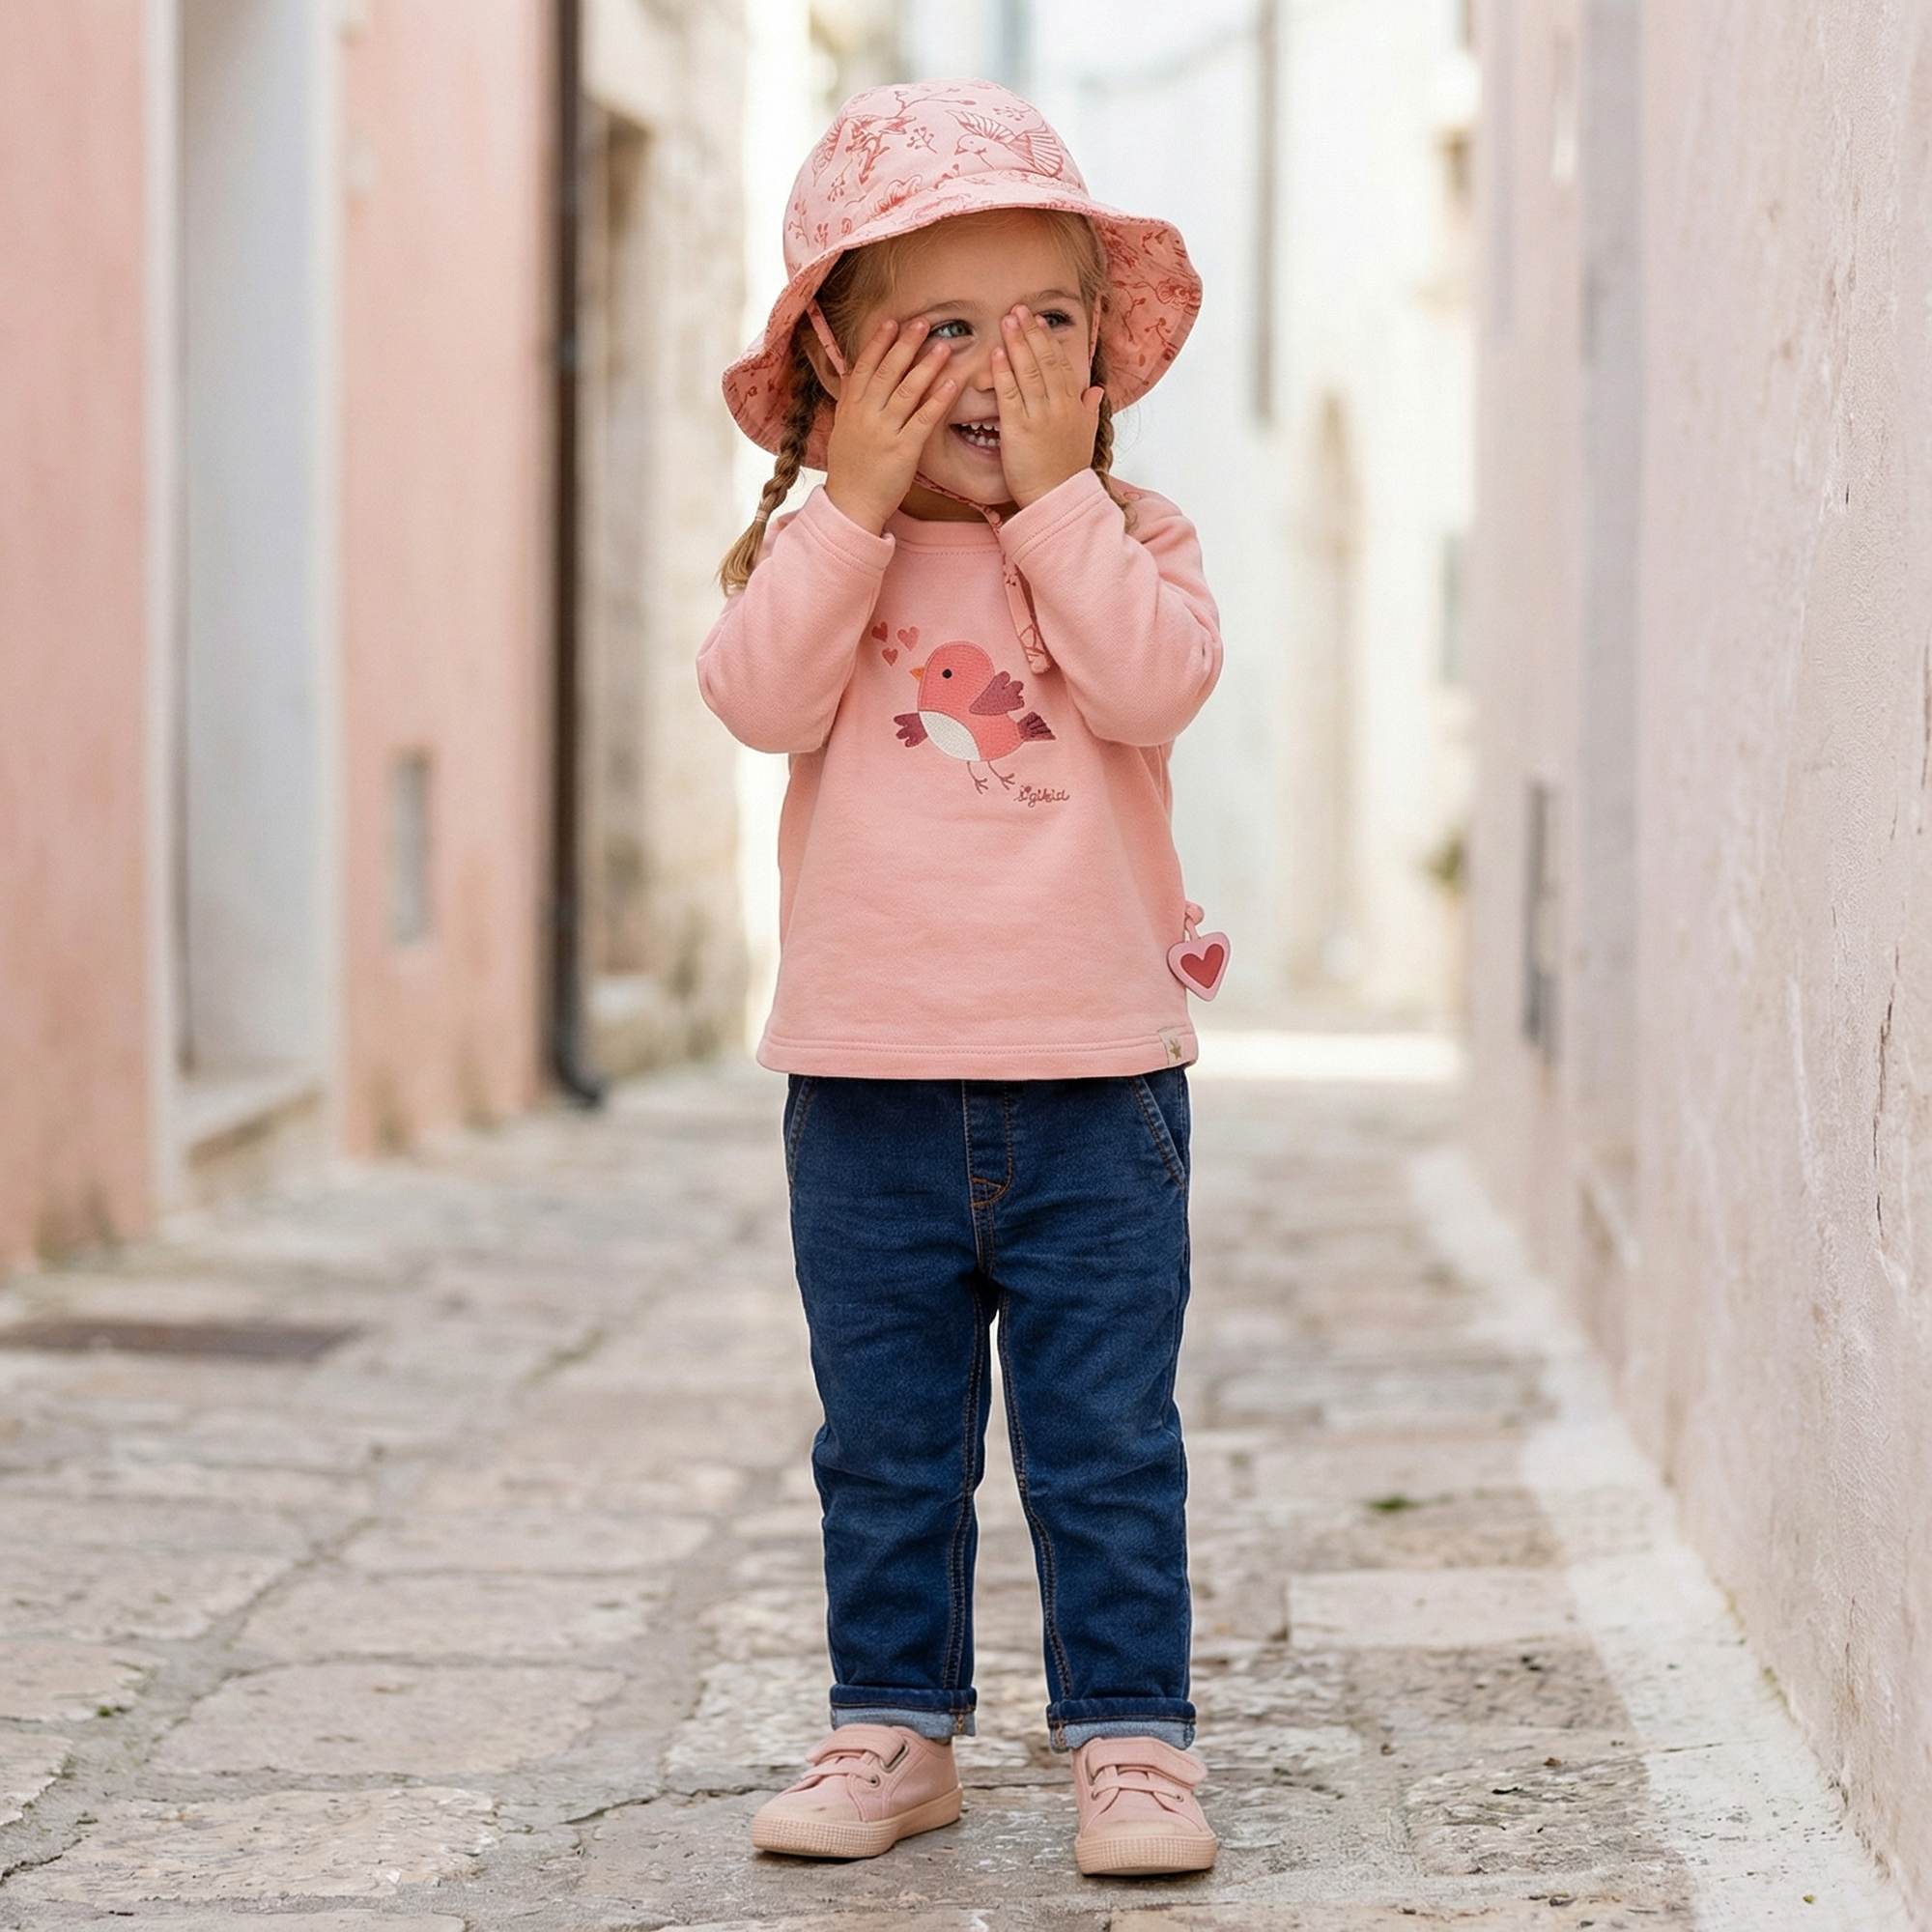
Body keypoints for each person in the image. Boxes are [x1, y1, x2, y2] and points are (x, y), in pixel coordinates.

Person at [698, 78, 1225, 1879]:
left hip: (1096, 1086)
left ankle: (1135, 1742)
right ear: (840, 369)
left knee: (1103, 1439)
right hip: (867, 1087)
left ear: (1101, 361)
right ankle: (892, 1725)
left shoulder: (1129, 543)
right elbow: (756, 701)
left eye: (1048, 323)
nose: (999, 369)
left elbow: (1151, 690)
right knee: (891, 1441)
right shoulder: (820, 562)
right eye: (941, 333)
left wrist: (1061, 504)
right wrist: (843, 512)